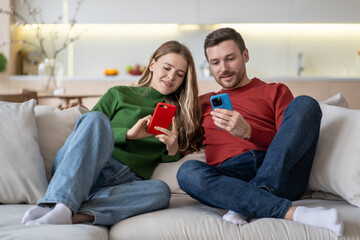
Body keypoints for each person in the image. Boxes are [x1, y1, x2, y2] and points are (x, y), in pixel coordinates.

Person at [176, 28, 343, 236]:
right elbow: (179, 141)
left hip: (277, 168)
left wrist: (249, 132)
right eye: (215, 62)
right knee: (187, 173)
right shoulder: (202, 104)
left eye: (230, 59)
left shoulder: (275, 91)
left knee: (305, 104)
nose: (224, 68)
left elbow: (290, 142)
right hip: (231, 175)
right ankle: (293, 212)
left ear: (245, 55)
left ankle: (241, 203)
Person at [21, 40, 203, 226]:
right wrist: (128, 134)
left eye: (179, 74)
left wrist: (172, 150)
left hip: (123, 182)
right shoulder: (119, 93)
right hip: (84, 165)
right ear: (152, 64)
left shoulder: (180, 115)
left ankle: (71, 213)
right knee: (96, 119)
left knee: (161, 192)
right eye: (167, 68)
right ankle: (57, 203)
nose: (171, 76)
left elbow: (169, 159)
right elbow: (89, 130)